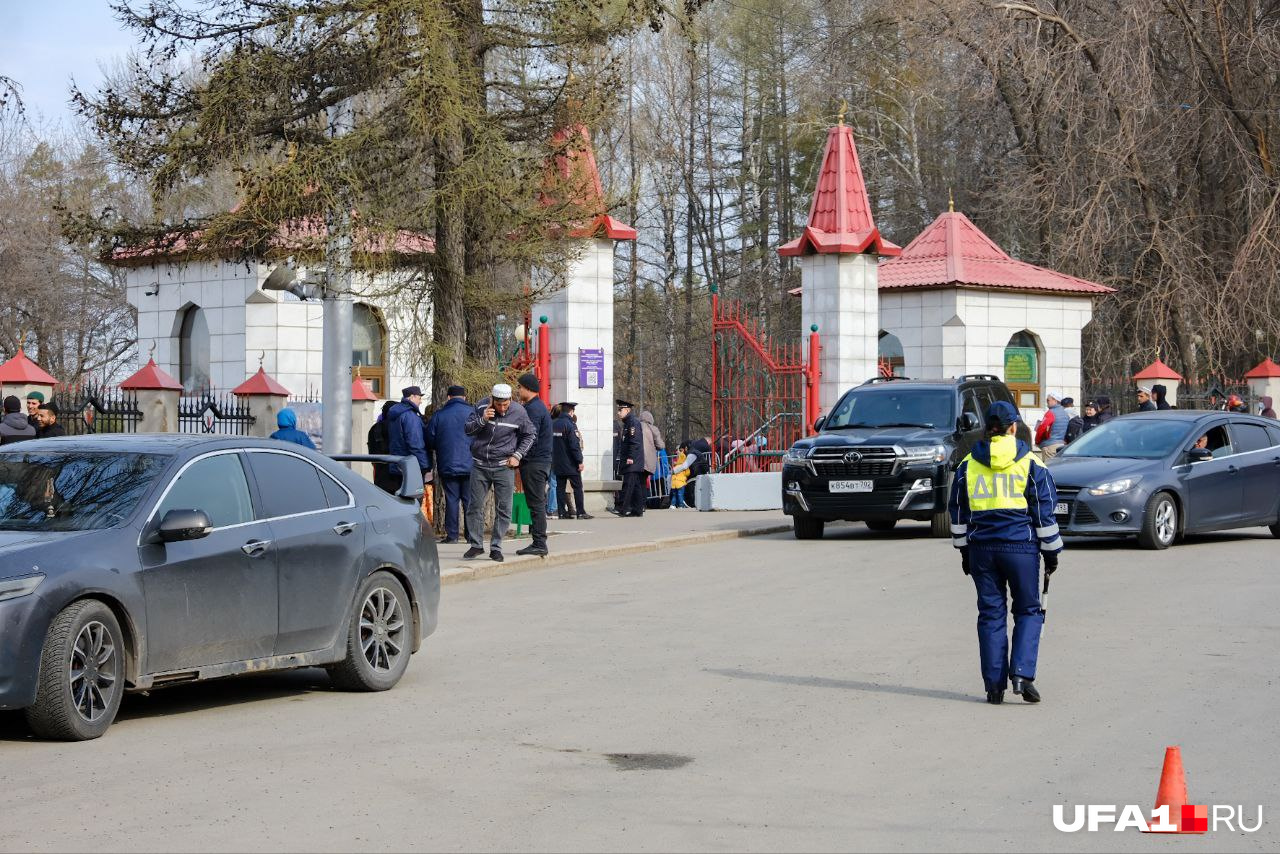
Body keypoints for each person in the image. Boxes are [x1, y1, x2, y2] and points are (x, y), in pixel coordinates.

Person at [948, 400, 1062, 705]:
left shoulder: (967, 464)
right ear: (1014, 427)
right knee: (1028, 610)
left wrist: (963, 551)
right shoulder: (1031, 463)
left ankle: (993, 687)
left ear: (988, 428)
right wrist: (1052, 553)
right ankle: (1022, 675)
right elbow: (1044, 512)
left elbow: (957, 512)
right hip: (1020, 548)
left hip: (981, 549)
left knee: (990, 615)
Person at [463, 382, 535, 562]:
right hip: (480, 465)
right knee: (474, 506)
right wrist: (483, 419)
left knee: (504, 509)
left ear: (511, 399)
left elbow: (530, 434)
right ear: (491, 399)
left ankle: (496, 546)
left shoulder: (519, 412)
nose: (502, 408)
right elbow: (467, 429)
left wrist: (517, 455)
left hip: (504, 465)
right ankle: (476, 545)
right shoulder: (480, 406)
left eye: (506, 404)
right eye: (498, 404)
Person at [425, 385, 474, 543]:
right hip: (470, 464)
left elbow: (430, 439)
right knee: (469, 500)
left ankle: (452, 535)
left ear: (448, 397)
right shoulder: (473, 413)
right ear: (464, 397)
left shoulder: (439, 415)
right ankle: (471, 535)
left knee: (452, 499)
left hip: (448, 463)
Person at [513, 374, 553, 557]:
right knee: (535, 502)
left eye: (520, 387)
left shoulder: (534, 409)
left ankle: (539, 543)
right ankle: (537, 541)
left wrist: (519, 455)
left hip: (535, 462)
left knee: (536, 503)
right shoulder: (535, 406)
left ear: (528, 388)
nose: (518, 390)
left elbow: (531, 437)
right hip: (538, 461)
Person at [387, 386, 433, 492]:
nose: (420, 401)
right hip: (411, 465)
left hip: (398, 463)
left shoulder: (397, 414)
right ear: (412, 397)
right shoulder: (409, 415)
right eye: (419, 398)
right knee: (414, 498)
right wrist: (424, 465)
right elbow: (415, 442)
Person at [552, 401, 592, 520]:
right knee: (577, 487)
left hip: (557, 462)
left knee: (560, 487)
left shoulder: (554, 424)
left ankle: (561, 512)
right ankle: (580, 512)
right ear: (571, 411)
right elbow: (574, 445)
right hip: (571, 463)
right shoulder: (570, 425)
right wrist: (579, 460)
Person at [613, 399, 646, 517]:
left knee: (628, 484)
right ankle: (637, 510)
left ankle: (622, 508)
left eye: (620, 410)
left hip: (632, 460)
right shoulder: (628, 423)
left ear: (627, 410)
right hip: (632, 459)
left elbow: (634, 442)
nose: (618, 412)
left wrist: (630, 457)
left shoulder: (632, 423)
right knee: (636, 485)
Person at [367, 400, 400, 494]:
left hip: (380, 471)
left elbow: (371, 451)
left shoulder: (374, 428)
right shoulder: (397, 426)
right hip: (397, 472)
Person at [639, 410, 665, 505]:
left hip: (637, 459)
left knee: (636, 481)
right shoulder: (653, 429)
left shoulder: (637, 426)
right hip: (648, 461)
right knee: (643, 482)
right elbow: (661, 446)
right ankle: (642, 504)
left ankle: (637, 505)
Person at [1034, 393, 1069, 457]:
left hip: (1050, 446)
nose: (1047, 402)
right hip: (1061, 445)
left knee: (1049, 466)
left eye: (1048, 400)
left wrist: (1037, 441)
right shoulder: (1065, 413)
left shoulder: (1050, 413)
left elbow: (1042, 428)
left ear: (1055, 401)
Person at [669, 442, 692, 508]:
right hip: (681, 482)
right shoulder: (684, 464)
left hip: (674, 482)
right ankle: (681, 505)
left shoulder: (675, 464)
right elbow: (687, 473)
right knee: (680, 494)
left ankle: (672, 505)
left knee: (674, 494)